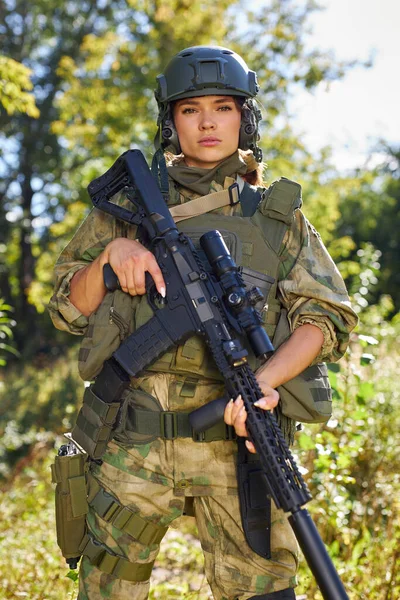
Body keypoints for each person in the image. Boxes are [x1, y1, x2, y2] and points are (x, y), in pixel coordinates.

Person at [49, 46, 358, 600]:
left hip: (239, 443)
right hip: (133, 443)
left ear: (246, 116)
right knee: (107, 590)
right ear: (171, 121)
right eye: (191, 109)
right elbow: (67, 311)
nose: (209, 121)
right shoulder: (125, 209)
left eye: (223, 107)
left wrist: (263, 384)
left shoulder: (275, 217)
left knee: (265, 589)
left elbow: (325, 317)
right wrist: (110, 256)